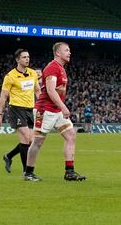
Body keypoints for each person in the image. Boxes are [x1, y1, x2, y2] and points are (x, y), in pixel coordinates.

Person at [24, 42, 85, 182]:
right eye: (66, 50)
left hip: (56, 110)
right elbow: (51, 91)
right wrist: (63, 106)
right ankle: (28, 172)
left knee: (71, 135)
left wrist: (60, 107)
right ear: (58, 53)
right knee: (38, 142)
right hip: (45, 110)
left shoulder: (61, 68)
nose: (69, 53)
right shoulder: (52, 67)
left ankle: (69, 172)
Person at [0, 49, 40, 175]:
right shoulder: (10, 76)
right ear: (17, 60)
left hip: (29, 109)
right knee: (26, 138)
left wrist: (42, 105)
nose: (27, 59)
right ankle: (26, 171)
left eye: (28, 57)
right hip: (16, 109)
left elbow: (37, 91)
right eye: (24, 57)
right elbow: (3, 96)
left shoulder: (32, 73)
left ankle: (8, 156)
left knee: (30, 141)